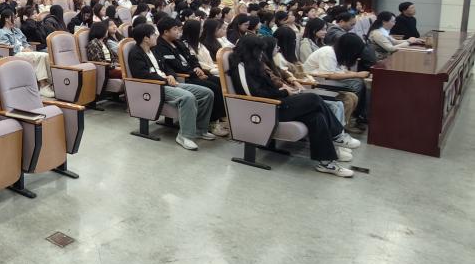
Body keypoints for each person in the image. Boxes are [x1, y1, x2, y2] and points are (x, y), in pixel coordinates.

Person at [229, 35, 353, 176]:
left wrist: (284, 91)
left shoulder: (254, 64)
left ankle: (326, 162)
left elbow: (267, 87)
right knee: (313, 98)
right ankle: (337, 135)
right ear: (251, 50)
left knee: (316, 116)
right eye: (259, 51)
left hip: (275, 103)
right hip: (266, 109)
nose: (262, 54)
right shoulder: (240, 67)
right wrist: (283, 92)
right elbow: (254, 95)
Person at [125, 23, 213, 151]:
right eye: (154, 34)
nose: (157, 36)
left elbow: (166, 66)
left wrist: (170, 75)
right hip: (155, 87)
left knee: (207, 93)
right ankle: (184, 136)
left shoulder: (154, 50)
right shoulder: (135, 54)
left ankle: (200, 129)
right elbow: (143, 75)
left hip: (167, 82)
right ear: (146, 38)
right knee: (188, 97)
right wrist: (165, 79)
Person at [154, 17, 225, 134]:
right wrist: (195, 73)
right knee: (213, 88)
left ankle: (219, 116)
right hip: (184, 77)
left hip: (192, 73)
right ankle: (211, 122)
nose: (178, 31)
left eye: (178, 29)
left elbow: (192, 57)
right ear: (166, 32)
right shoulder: (159, 46)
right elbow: (175, 66)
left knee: (219, 81)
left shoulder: (178, 42)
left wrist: (197, 67)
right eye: (175, 29)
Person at [303, 33, 370, 124]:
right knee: (356, 85)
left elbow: (342, 71)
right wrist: (357, 74)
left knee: (355, 92)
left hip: (325, 82)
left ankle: (348, 121)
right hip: (315, 84)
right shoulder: (328, 53)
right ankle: (347, 121)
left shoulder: (337, 54)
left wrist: (361, 74)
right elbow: (329, 75)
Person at [0, 9, 54, 97]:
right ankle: (43, 86)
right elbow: (7, 47)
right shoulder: (1, 32)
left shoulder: (16, 30)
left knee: (46, 55)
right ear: (7, 19)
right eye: (14, 17)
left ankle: (50, 84)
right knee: (40, 56)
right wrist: (22, 49)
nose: (15, 19)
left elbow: (25, 42)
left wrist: (28, 48)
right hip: (14, 54)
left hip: (24, 52)